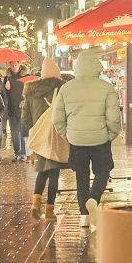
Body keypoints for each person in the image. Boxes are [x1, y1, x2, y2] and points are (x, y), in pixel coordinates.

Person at [52, 52, 122, 229]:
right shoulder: (106, 88)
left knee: (81, 176)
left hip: (76, 140)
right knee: (103, 171)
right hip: (100, 139)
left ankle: (84, 216)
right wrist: (111, 134)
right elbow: (114, 118)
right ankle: (93, 199)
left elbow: (57, 119)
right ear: (97, 67)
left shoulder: (66, 89)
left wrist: (67, 134)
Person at [21, 58, 66, 221]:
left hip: (39, 137)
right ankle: (49, 211)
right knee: (54, 173)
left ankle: (35, 203)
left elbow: (25, 118)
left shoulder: (31, 92)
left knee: (42, 172)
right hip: (55, 136)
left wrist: (37, 125)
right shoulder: (61, 90)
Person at [4, 61, 27, 161]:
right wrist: (7, 89)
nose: (14, 67)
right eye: (12, 65)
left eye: (15, 65)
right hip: (12, 108)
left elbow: (30, 91)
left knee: (23, 132)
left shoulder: (26, 77)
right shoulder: (7, 78)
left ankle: (23, 153)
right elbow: (4, 95)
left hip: (23, 108)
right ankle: (17, 152)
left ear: (19, 64)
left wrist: (25, 100)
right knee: (14, 132)